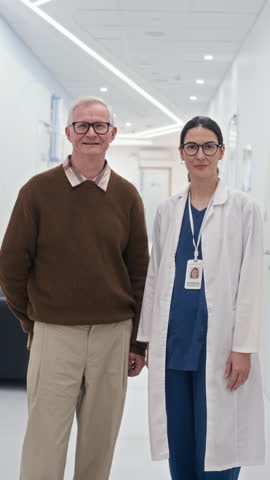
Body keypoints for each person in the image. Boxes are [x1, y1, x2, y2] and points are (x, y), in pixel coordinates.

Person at [0, 96, 149, 480]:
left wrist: (137, 341)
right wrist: (33, 320)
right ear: (68, 133)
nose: (90, 133)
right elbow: (11, 266)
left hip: (113, 336)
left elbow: (139, 272)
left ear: (112, 134)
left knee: (99, 443)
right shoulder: (37, 192)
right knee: (45, 442)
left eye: (100, 125)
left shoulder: (127, 196)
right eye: (82, 125)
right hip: (54, 334)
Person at [137, 116, 265, 479]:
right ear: (181, 153)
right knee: (181, 441)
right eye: (191, 147)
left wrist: (243, 346)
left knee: (219, 439)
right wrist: (146, 339)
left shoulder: (244, 209)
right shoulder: (167, 210)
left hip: (221, 343)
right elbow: (155, 275)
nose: (200, 154)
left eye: (209, 146)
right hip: (175, 342)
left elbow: (251, 281)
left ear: (221, 152)